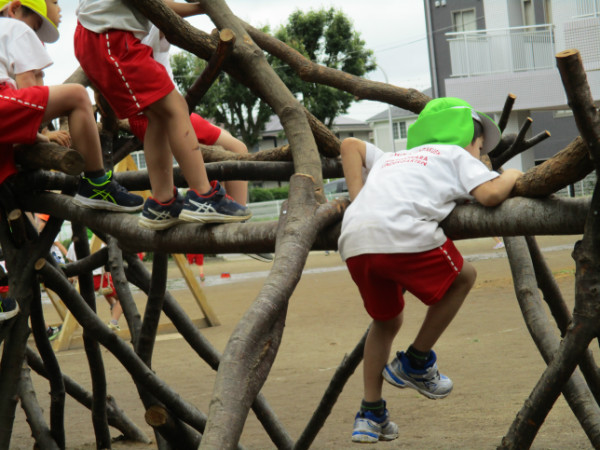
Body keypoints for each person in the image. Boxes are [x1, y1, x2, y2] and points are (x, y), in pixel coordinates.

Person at [338, 97, 523, 443]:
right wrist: (509, 173)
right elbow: (490, 195)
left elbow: (349, 145)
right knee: (465, 276)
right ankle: (417, 361)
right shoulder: (453, 156)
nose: (480, 156)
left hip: (354, 242)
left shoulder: (393, 159)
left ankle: (370, 412)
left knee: (387, 321)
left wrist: (357, 198)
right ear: (469, 136)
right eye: (480, 148)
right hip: (404, 235)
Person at [73, 0, 251, 230]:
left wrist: (200, 7)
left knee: (157, 116)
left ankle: (163, 200)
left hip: (99, 35)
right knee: (176, 109)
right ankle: (204, 195)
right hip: (110, 36)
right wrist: (204, 6)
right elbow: (163, 7)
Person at [0, 0, 144, 213]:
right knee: (76, 95)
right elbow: (28, 84)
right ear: (14, 9)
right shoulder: (15, 27)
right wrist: (41, 134)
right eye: (35, 26)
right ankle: (97, 184)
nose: (33, 36)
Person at [67, 232, 123, 331]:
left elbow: (70, 261)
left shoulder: (73, 245)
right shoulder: (101, 243)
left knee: (109, 294)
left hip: (82, 281)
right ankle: (114, 322)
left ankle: (113, 306)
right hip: (98, 278)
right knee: (123, 298)